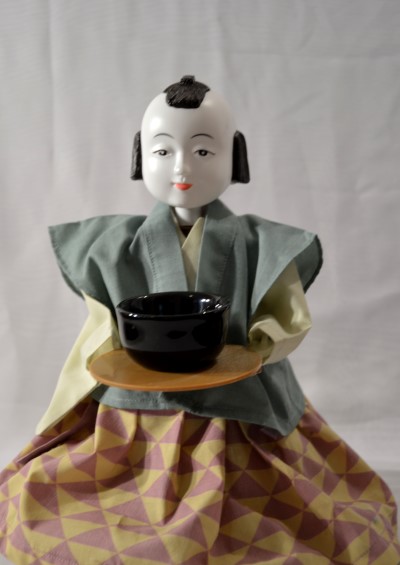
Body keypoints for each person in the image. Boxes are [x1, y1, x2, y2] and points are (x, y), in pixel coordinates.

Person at [0, 76, 399, 564]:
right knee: (59, 507)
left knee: (289, 515)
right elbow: (101, 327)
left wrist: (259, 344)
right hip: (135, 418)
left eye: (204, 151)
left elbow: (286, 317)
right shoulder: (109, 246)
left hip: (240, 411)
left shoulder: (261, 243)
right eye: (162, 151)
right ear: (139, 156)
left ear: (235, 156)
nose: (182, 167)